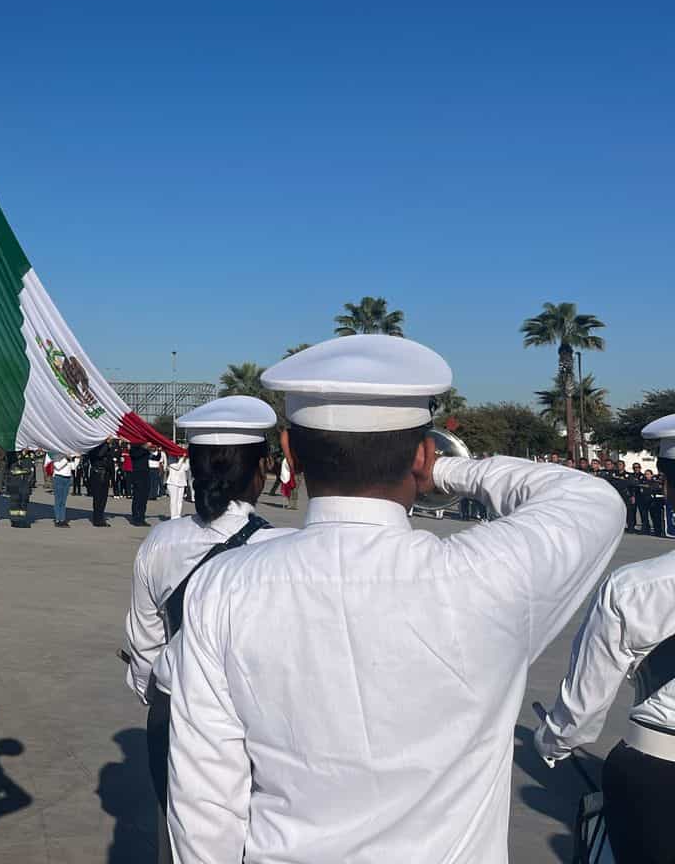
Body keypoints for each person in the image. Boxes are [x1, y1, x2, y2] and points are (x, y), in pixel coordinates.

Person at [166, 336, 625, 864]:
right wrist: (450, 472)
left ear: (290, 451)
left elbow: (205, 798)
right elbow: (589, 500)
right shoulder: (489, 576)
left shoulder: (223, 586)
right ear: (422, 453)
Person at [125, 396, 289, 864]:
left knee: (176, 836)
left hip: (174, 707)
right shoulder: (280, 548)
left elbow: (144, 644)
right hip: (254, 712)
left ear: (193, 468)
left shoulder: (161, 542)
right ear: (261, 472)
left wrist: (159, 696)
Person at [535, 413, 675, 863]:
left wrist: (553, 741)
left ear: (669, 489)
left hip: (658, 773)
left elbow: (584, 706)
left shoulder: (634, 587)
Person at [6, 446, 40, 528]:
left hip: (25, 484)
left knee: (24, 503)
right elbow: (12, 470)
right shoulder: (12, 456)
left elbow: (31, 470)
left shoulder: (28, 457)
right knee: (14, 503)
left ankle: (22, 520)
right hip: (14, 483)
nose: (26, 448)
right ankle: (15, 520)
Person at [87, 440, 114, 527]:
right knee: (98, 498)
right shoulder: (94, 446)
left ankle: (100, 517)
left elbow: (110, 461)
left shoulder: (107, 447)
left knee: (103, 498)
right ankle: (97, 519)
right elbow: (99, 454)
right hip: (97, 474)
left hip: (105, 474)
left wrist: (111, 476)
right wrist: (106, 444)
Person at [50, 450, 78, 527]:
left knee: (63, 500)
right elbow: (58, 466)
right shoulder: (56, 454)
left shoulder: (69, 455)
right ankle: (58, 519)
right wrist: (66, 458)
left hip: (67, 478)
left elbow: (73, 467)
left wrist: (77, 459)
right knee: (58, 500)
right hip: (58, 477)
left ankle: (62, 519)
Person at [163, 446, 189, 520]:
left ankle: (178, 515)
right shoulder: (171, 459)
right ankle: (173, 516)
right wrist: (182, 458)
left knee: (180, 500)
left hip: (182, 482)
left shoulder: (182, 460)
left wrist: (187, 458)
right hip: (172, 482)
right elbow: (177, 467)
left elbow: (186, 468)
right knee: (173, 500)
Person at [128, 444, 150, 525]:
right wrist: (144, 447)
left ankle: (141, 517)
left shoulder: (144, 448)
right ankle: (136, 518)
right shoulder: (134, 447)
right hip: (138, 473)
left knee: (144, 497)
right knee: (138, 496)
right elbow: (135, 455)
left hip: (146, 472)